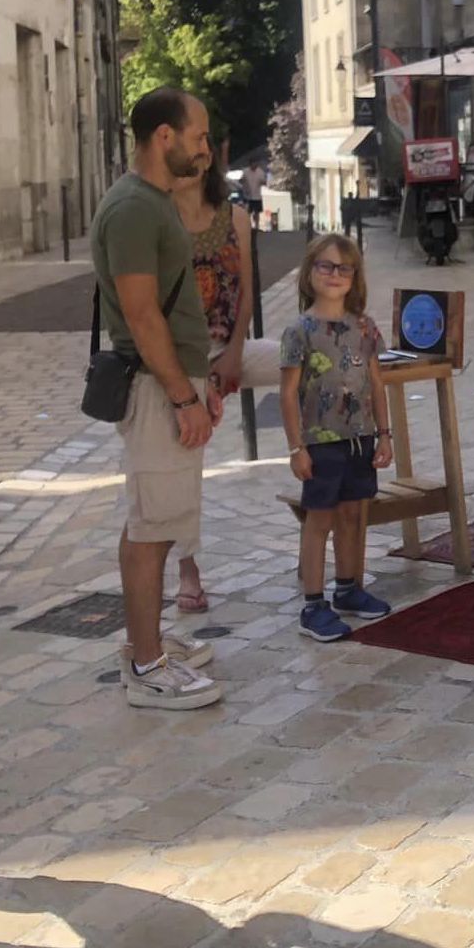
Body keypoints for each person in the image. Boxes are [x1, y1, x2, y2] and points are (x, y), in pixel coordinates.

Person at [90, 87, 224, 709]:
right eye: (198, 136)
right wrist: (181, 396)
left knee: (156, 518)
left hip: (172, 382)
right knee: (152, 526)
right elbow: (142, 316)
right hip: (155, 388)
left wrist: (203, 385)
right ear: (163, 137)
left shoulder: (153, 202)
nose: (206, 148)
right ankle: (146, 666)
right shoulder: (134, 209)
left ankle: (144, 642)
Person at [279, 234, 395, 642]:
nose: (334, 274)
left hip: (360, 439)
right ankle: (313, 604)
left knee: (351, 516)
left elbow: (376, 384)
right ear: (310, 273)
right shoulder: (300, 331)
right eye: (325, 266)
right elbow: (289, 392)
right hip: (319, 443)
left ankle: (348, 588)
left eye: (343, 268)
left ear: (355, 277)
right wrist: (296, 447)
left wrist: (384, 435)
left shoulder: (365, 327)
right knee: (319, 521)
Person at [167, 149, 261, 613]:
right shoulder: (156, 217)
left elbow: (245, 292)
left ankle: (328, 529)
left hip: (226, 347)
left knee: (303, 368)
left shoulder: (235, 217)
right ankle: (187, 565)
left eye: (202, 155)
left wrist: (236, 351)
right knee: (184, 461)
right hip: (179, 357)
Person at [240, 159, 267, 228]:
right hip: (247, 195)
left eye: (256, 164)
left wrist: (263, 182)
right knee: (247, 212)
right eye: (253, 164)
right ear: (250, 164)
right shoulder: (245, 171)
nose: (254, 165)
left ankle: (257, 226)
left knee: (257, 212)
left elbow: (264, 182)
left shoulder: (260, 172)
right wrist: (243, 182)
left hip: (257, 196)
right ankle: (247, 226)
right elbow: (241, 180)